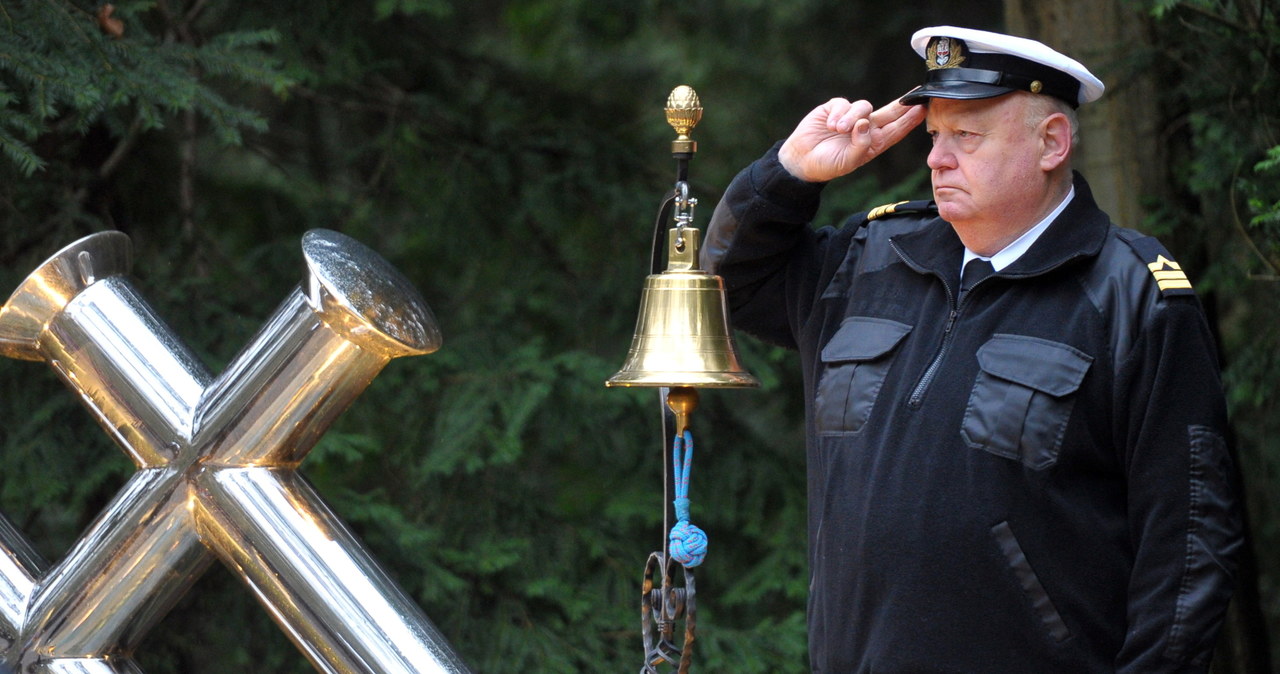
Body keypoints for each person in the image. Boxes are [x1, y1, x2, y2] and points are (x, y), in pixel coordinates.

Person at [702, 26, 1242, 673]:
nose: (936, 159)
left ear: (1051, 143)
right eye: (934, 135)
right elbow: (724, 286)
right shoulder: (870, 257)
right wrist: (786, 174)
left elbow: (1190, 550)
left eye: (967, 137)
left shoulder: (1130, 292)